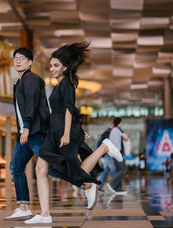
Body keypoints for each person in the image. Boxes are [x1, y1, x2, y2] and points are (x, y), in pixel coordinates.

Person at [25, 42, 123, 224]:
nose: (52, 69)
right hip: (54, 133)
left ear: (65, 67)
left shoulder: (67, 84)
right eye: (50, 65)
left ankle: (103, 149)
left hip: (63, 132)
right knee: (41, 167)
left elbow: (70, 108)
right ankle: (45, 214)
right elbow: (66, 110)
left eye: (56, 65)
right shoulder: (59, 85)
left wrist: (68, 133)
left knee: (73, 171)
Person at [5, 47, 80, 221]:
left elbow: (31, 105)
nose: (17, 61)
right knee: (16, 167)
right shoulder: (20, 82)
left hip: (35, 132)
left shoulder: (31, 79)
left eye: (22, 58)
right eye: (15, 58)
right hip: (26, 134)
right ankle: (23, 207)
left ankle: (85, 184)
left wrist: (27, 127)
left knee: (52, 167)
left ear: (30, 62)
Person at [106, 117, 129, 195]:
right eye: (121, 123)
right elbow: (126, 137)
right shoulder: (116, 130)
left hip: (114, 153)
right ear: (118, 123)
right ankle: (111, 183)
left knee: (119, 170)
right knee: (123, 169)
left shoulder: (113, 130)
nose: (122, 124)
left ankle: (118, 189)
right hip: (117, 153)